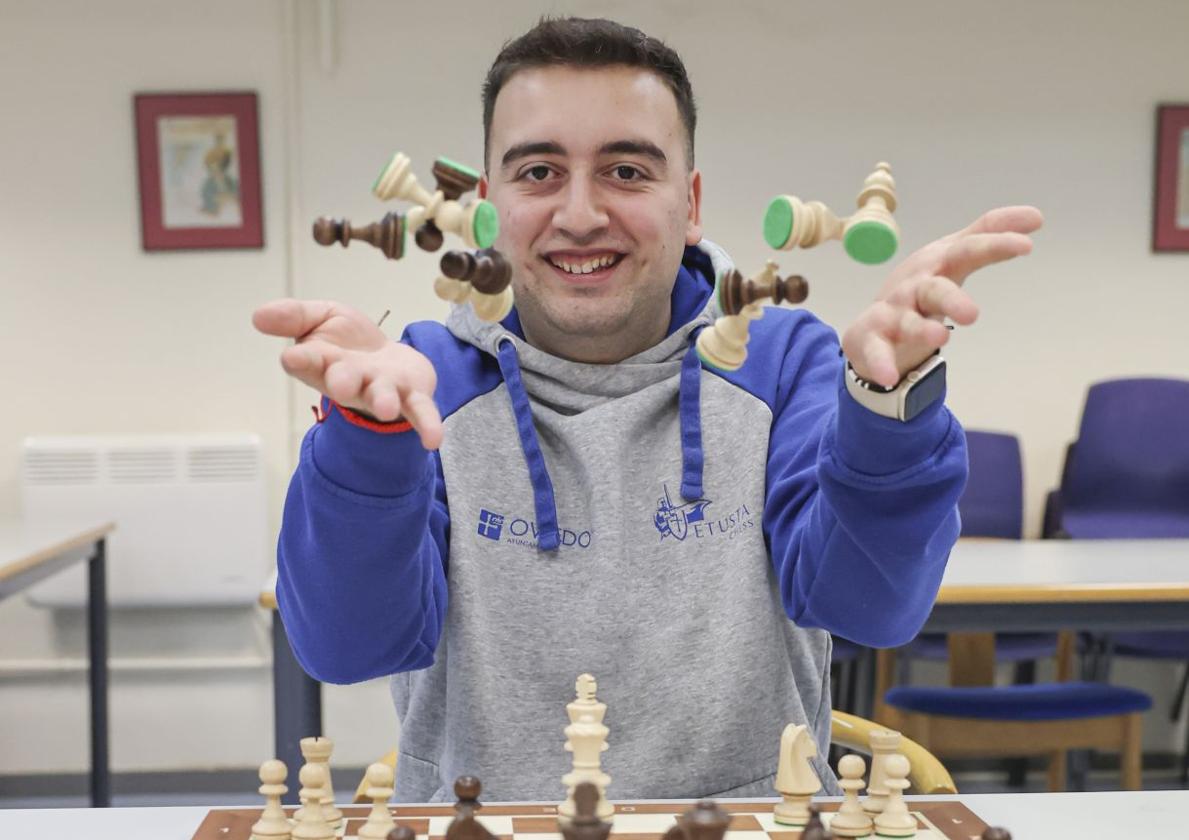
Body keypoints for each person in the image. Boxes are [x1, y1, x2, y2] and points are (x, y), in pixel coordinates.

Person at [252, 17, 1042, 803]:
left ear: (689, 203)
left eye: (626, 171)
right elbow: (344, 645)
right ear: (487, 205)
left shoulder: (783, 362)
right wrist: (366, 442)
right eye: (538, 173)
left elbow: (872, 605)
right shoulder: (424, 382)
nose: (581, 214)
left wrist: (885, 406)